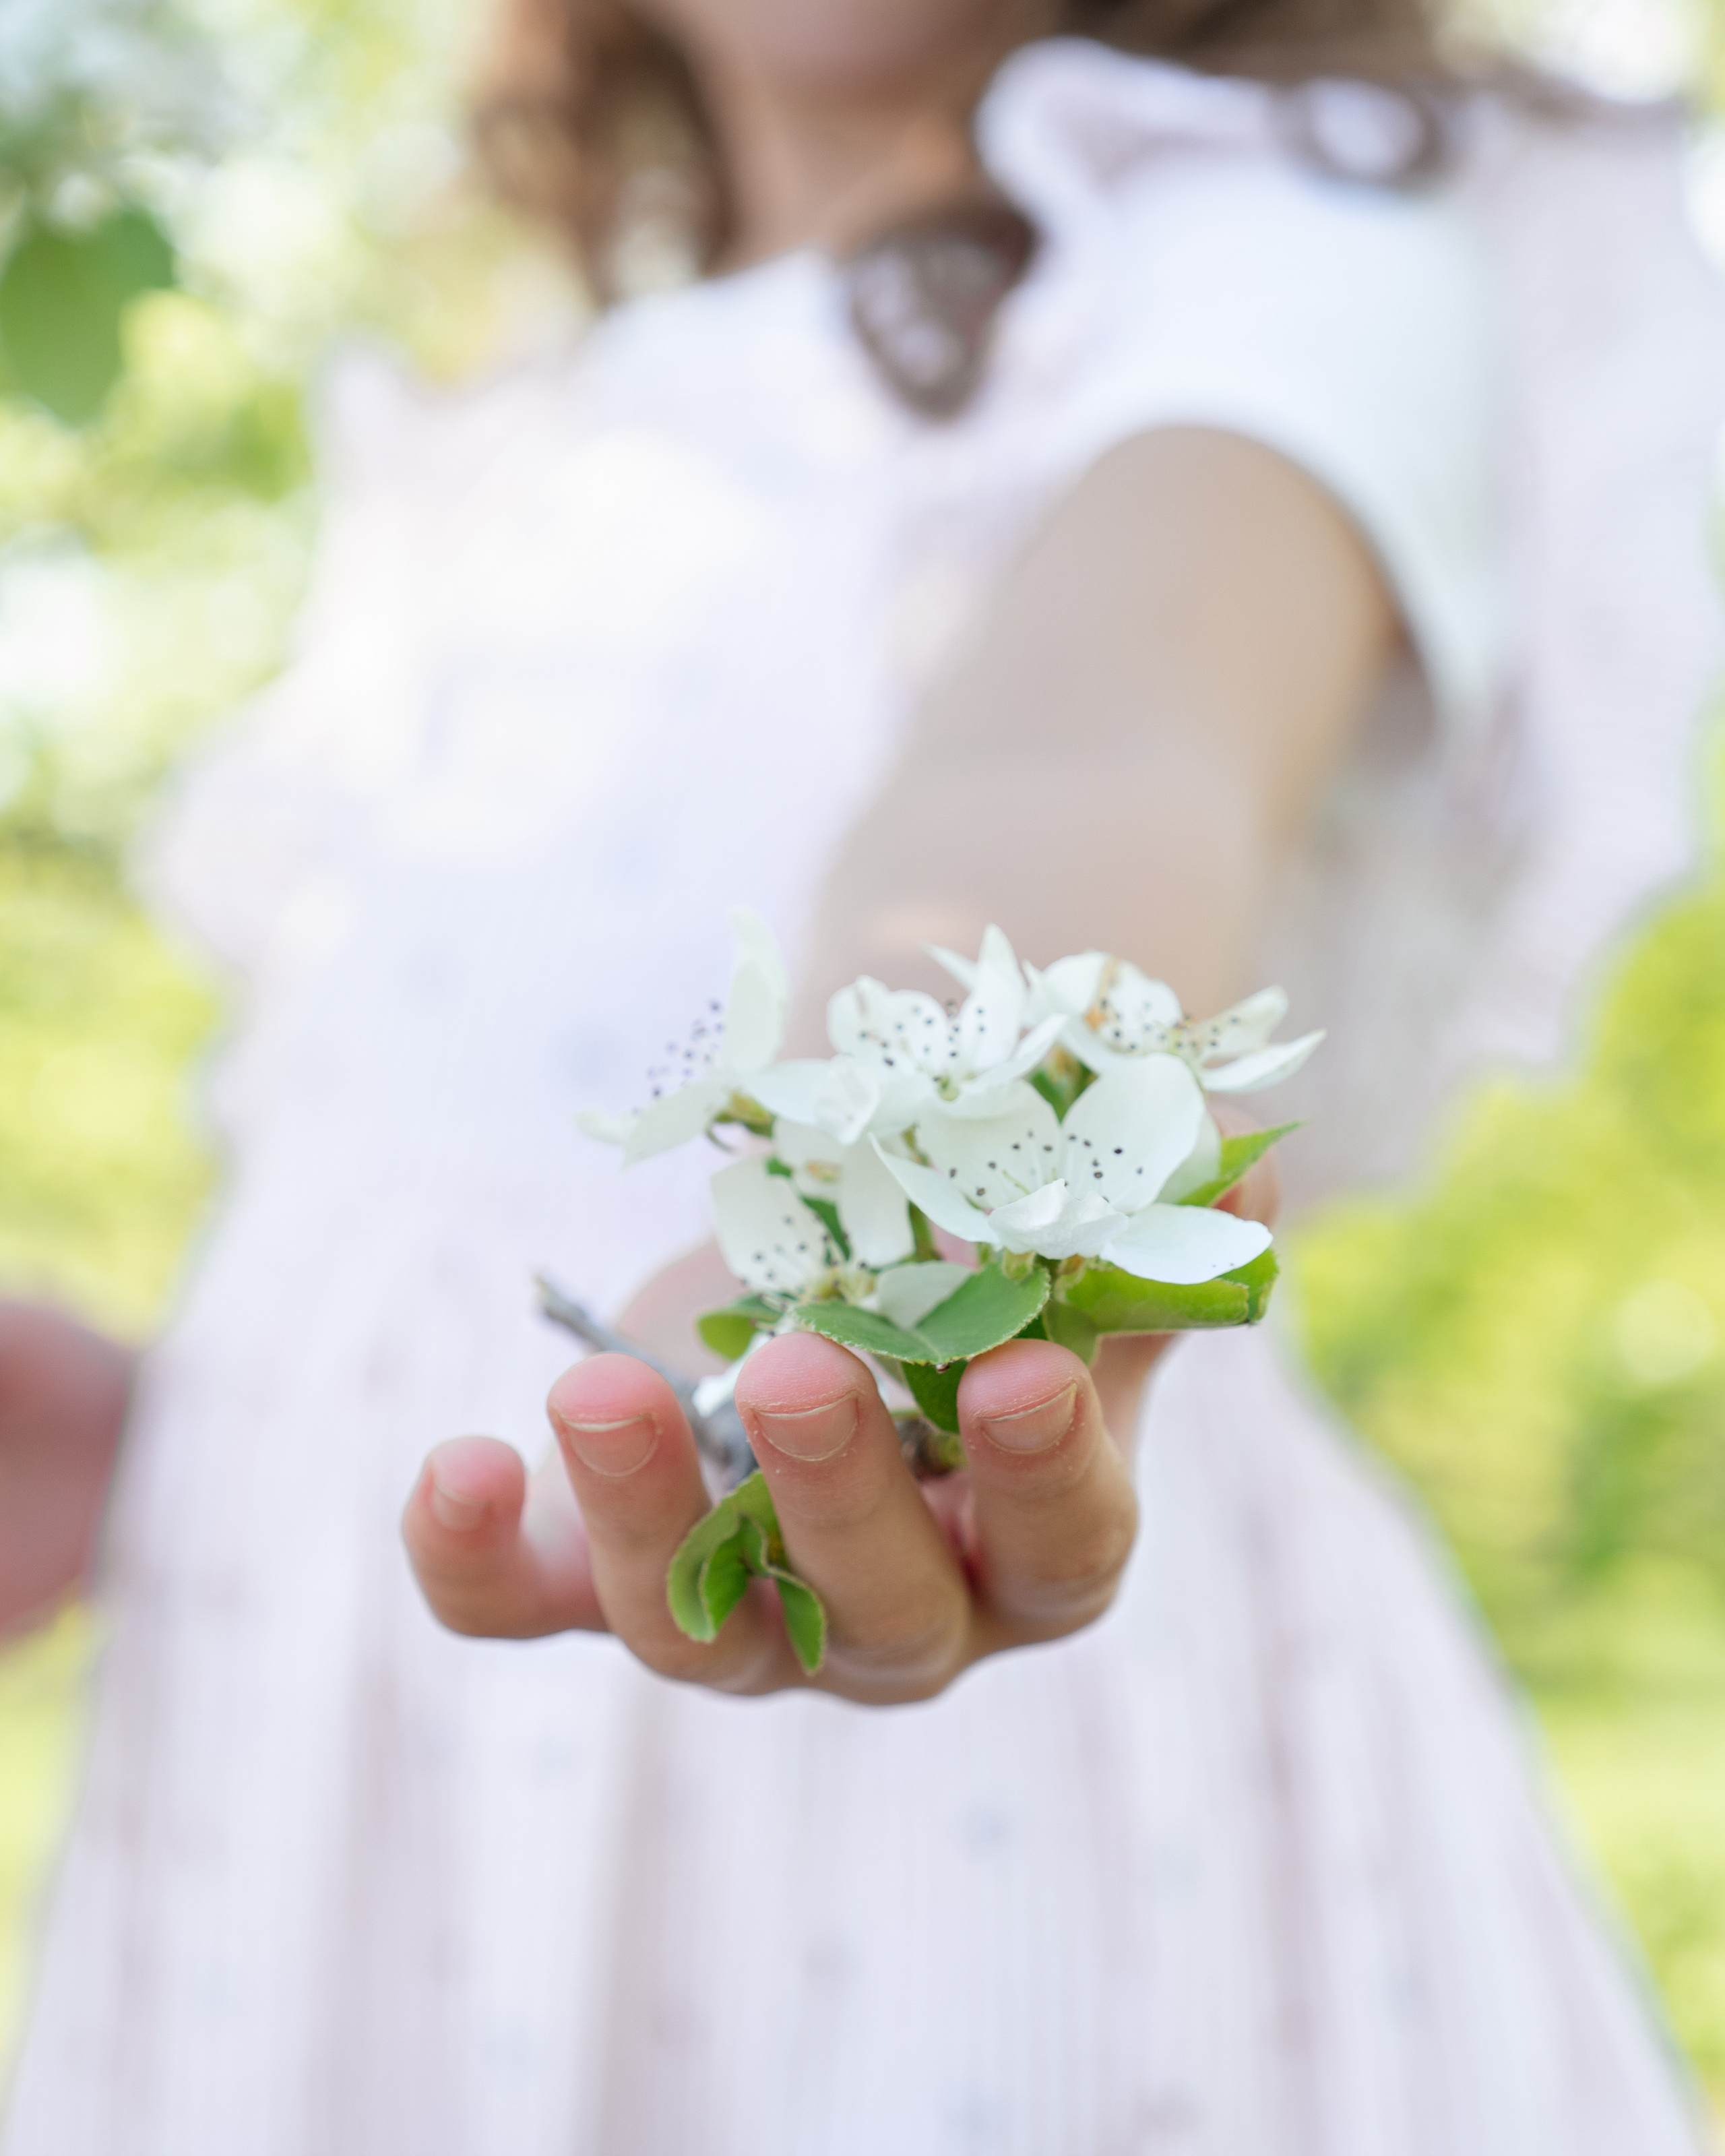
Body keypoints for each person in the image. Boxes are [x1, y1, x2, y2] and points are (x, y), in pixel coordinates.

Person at [3, 1, 1722, 2149]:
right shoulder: (520, 436)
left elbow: (1096, 753)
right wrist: (201, 1426)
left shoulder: (1268, 252)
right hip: (322, 1800)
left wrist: (875, 1231)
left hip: (952, 1803)